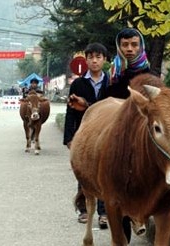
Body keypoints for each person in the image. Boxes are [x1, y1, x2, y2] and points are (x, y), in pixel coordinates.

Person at [63, 42, 109, 229]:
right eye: (91, 57)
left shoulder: (111, 83)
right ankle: (83, 209)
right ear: (86, 60)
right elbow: (71, 111)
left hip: (107, 134)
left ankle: (104, 212)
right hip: (84, 134)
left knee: (105, 173)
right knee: (83, 172)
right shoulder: (78, 83)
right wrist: (69, 138)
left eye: (98, 57)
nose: (95, 61)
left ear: (104, 60)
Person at [107, 27, 151, 99]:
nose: (129, 49)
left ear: (141, 47)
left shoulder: (149, 74)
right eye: (125, 45)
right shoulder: (113, 73)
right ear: (119, 47)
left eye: (134, 45)